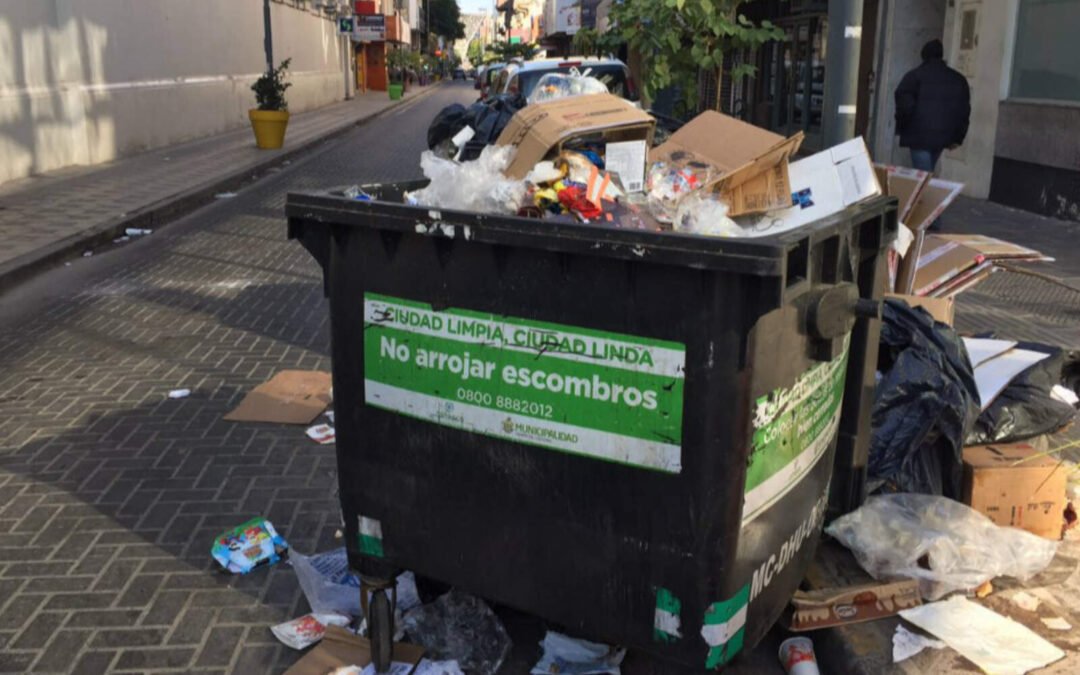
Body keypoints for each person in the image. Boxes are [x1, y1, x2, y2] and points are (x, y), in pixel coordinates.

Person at [895, 39, 971, 174]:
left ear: (923, 55)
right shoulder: (958, 79)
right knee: (927, 173)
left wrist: (902, 127)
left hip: (918, 135)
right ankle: (927, 192)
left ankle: (926, 194)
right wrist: (958, 137)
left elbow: (904, 106)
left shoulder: (913, 77)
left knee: (923, 176)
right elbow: (963, 111)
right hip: (943, 136)